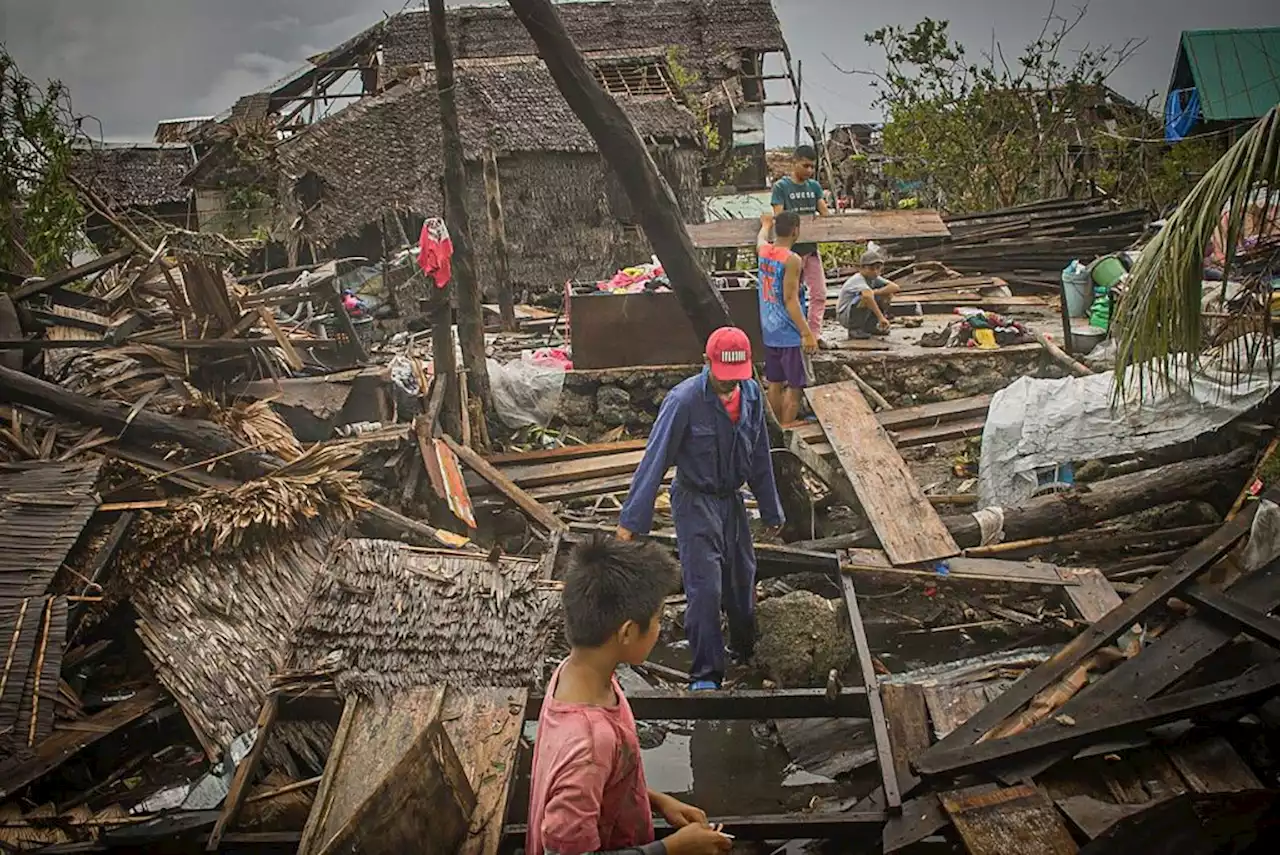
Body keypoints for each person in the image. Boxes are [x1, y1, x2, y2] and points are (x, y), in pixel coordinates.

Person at [526, 535, 733, 855]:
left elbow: (603, 782)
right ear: (626, 632)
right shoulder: (590, 745)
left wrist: (655, 800)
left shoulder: (576, 671)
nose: (660, 629)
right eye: (657, 620)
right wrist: (673, 848)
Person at [616, 327, 784, 691]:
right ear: (707, 363)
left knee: (742, 580)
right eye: (723, 377)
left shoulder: (752, 395)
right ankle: (707, 672)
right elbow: (655, 460)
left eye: (736, 378)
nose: (730, 385)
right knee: (705, 587)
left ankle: (743, 649)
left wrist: (771, 510)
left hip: (732, 501)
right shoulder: (684, 401)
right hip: (695, 501)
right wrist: (632, 520)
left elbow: (759, 458)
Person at [756, 211, 817, 425]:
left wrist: (765, 224)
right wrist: (806, 332)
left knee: (774, 382)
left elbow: (761, 238)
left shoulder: (764, 252)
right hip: (788, 332)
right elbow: (790, 299)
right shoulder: (792, 260)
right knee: (794, 387)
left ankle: (774, 428)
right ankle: (787, 427)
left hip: (769, 329)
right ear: (796, 231)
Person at [771, 144, 830, 340]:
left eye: (812, 167)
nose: (809, 170)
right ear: (794, 162)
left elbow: (825, 214)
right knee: (791, 294)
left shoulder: (814, 187)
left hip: (811, 249)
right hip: (790, 252)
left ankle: (815, 334)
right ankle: (794, 332)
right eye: (805, 166)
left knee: (819, 293)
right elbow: (780, 218)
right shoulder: (781, 187)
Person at [836, 248, 900, 339]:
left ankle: (871, 326)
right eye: (871, 269)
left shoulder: (874, 278)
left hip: (860, 309)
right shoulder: (858, 279)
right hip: (846, 315)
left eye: (878, 268)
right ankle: (854, 329)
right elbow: (867, 296)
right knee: (864, 298)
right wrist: (881, 317)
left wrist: (875, 292)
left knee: (886, 294)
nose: (875, 272)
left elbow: (895, 287)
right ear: (862, 268)